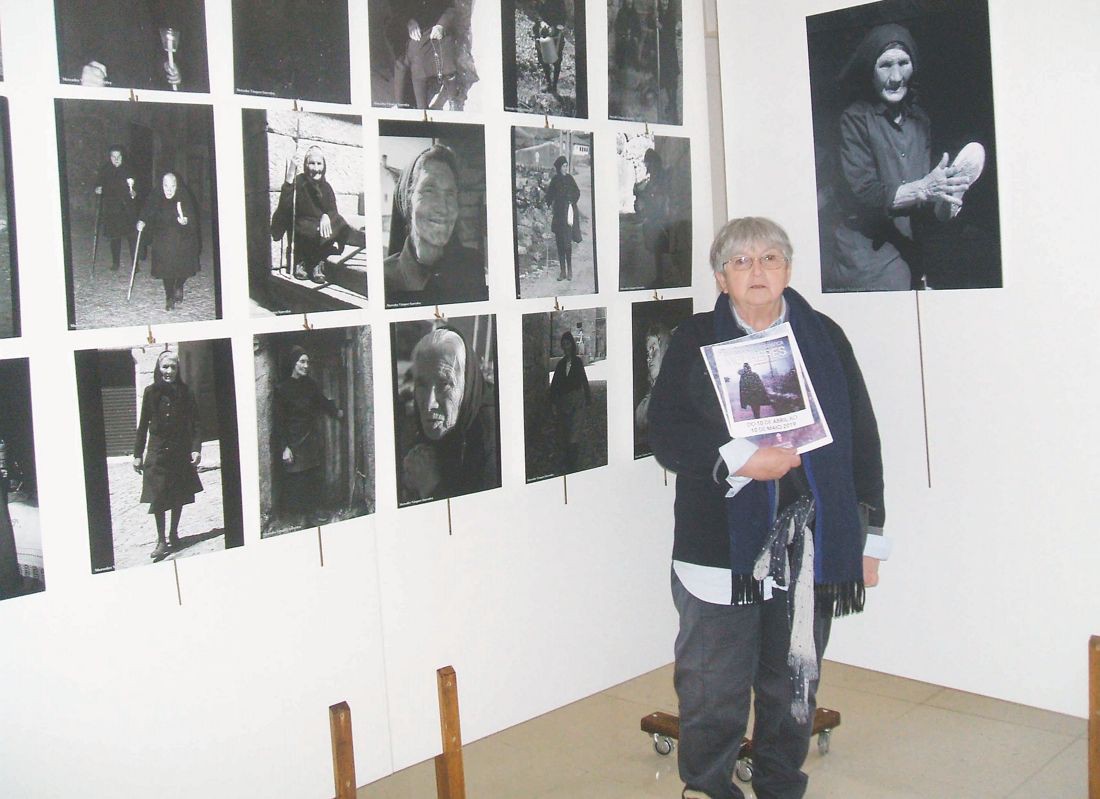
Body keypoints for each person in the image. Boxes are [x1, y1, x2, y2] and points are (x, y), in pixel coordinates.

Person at [648, 217, 888, 799]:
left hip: (811, 543)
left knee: (792, 682)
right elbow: (667, 434)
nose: (758, 271)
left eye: (771, 258)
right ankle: (706, 786)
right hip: (718, 544)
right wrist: (739, 459)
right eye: (741, 261)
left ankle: (782, 783)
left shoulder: (824, 337)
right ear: (721, 277)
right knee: (712, 686)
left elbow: (863, 438)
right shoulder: (694, 340)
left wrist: (869, 537)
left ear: (787, 269)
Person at [829, 23, 973, 291]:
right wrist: (923, 189)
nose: (896, 77)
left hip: (910, 254)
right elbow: (864, 193)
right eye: (885, 65)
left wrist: (947, 196)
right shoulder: (855, 118)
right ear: (870, 69)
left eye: (903, 63)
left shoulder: (920, 120)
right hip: (868, 264)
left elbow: (926, 198)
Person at [401, 327, 497, 502]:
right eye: (422, 385)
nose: (430, 404)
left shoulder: (491, 440)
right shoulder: (411, 427)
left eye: (444, 384)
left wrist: (430, 488)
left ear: (466, 385)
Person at [383, 144, 487, 307]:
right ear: (408, 200)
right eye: (429, 191)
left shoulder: (472, 267)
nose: (443, 208)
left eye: (450, 194)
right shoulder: (384, 278)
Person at [133, 350, 203, 561]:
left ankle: (173, 532)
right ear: (158, 368)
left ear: (177, 370)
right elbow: (143, 424)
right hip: (157, 451)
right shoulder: (150, 392)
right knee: (158, 494)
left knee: (177, 493)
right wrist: (137, 454)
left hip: (179, 451)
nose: (169, 371)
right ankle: (161, 540)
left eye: (173, 367)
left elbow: (196, 423)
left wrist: (196, 448)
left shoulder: (186, 392)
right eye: (165, 367)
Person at [56, 0, 209, 92]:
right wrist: (78, 77)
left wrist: (170, 72)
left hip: (148, 114)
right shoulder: (78, 6)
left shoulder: (151, 7)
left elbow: (154, 56)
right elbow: (57, 60)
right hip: (99, 112)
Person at [270, 145, 365, 284]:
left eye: (319, 163)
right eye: (311, 163)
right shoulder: (299, 182)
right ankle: (301, 262)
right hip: (304, 228)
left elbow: (333, 211)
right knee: (310, 229)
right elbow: (284, 207)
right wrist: (289, 178)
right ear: (305, 165)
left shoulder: (326, 187)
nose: (316, 168)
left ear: (324, 165)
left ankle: (317, 262)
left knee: (338, 222)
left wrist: (326, 216)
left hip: (321, 230)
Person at [272, 345, 343, 527]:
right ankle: (297, 518)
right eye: (302, 362)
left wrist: (336, 411)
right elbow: (279, 422)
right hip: (293, 440)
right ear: (293, 364)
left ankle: (312, 514)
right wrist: (285, 447)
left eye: (307, 362)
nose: (306, 366)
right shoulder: (282, 389)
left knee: (312, 476)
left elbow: (321, 401)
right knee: (296, 479)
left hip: (309, 437)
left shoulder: (310, 385)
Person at [136, 171, 201, 310]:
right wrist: (142, 221)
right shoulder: (156, 196)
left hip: (183, 239)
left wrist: (185, 221)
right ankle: (169, 297)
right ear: (161, 185)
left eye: (173, 186)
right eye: (166, 186)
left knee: (184, 268)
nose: (169, 190)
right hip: (163, 238)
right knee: (166, 269)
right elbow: (147, 211)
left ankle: (179, 285)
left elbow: (191, 218)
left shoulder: (184, 196)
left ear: (177, 186)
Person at [391, 0, 458, 109]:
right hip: (406, 27)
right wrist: (408, 21)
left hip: (434, 25)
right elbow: (395, 6)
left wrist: (441, 25)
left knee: (445, 50)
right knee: (415, 55)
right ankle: (412, 106)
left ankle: (453, 98)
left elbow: (450, 7)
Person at [547, 330, 590, 473]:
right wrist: (553, 403)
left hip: (577, 401)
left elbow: (583, 380)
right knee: (565, 433)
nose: (566, 347)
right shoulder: (560, 365)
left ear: (572, 345)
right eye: (564, 344)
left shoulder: (578, 362)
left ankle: (572, 462)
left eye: (568, 344)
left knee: (574, 433)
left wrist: (588, 399)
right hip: (564, 403)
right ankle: (568, 458)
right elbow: (554, 385)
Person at [93, 146, 138, 272]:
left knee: (131, 237)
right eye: (113, 156)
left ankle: (135, 264)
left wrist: (134, 192)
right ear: (110, 157)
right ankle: (115, 262)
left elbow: (137, 187)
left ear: (122, 157)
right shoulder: (105, 170)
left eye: (119, 156)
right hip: (112, 208)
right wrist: (98, 188)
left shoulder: (129, 169)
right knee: (114, 237)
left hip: (127, 208)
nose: (116, 159)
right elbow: (98, 183)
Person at [634, 147, 672, 286]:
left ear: (653, 162)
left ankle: (662, 278)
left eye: (648, 162)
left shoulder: (660, 175)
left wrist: (646, 194)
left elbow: (660, 194)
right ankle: (660, 277)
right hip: (654, 215)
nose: (647, 166)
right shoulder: (654, 175)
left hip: (660, 216)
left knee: (660, 247)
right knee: (657, 249)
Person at [544, 155, 580, 281]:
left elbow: (577, 192)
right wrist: (547, 205)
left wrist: (571, 200)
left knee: (567, 244)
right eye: (564, 166)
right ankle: (562, 271)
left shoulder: (570, 179)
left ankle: (569, 270)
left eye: (566, 166)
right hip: (558, 216)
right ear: (559, 168)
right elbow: (549, 195)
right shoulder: (555, 180)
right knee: (559, 244)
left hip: (568, 216)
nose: (566, 168)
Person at [634, 321, 671, 448]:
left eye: (653, 349)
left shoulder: (674, 392)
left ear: (665, 348)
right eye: (647, 352)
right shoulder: (650, 394)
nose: (648, 357)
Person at [531, 0, 568, 93]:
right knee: (543, 58)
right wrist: (541, 22)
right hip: (542, 31)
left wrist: (555, 27)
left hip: (556, 31)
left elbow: (563, 16)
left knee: (557, 60)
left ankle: (554, 85)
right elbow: (536, 12)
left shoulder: (560, 2)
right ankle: (548, 83)